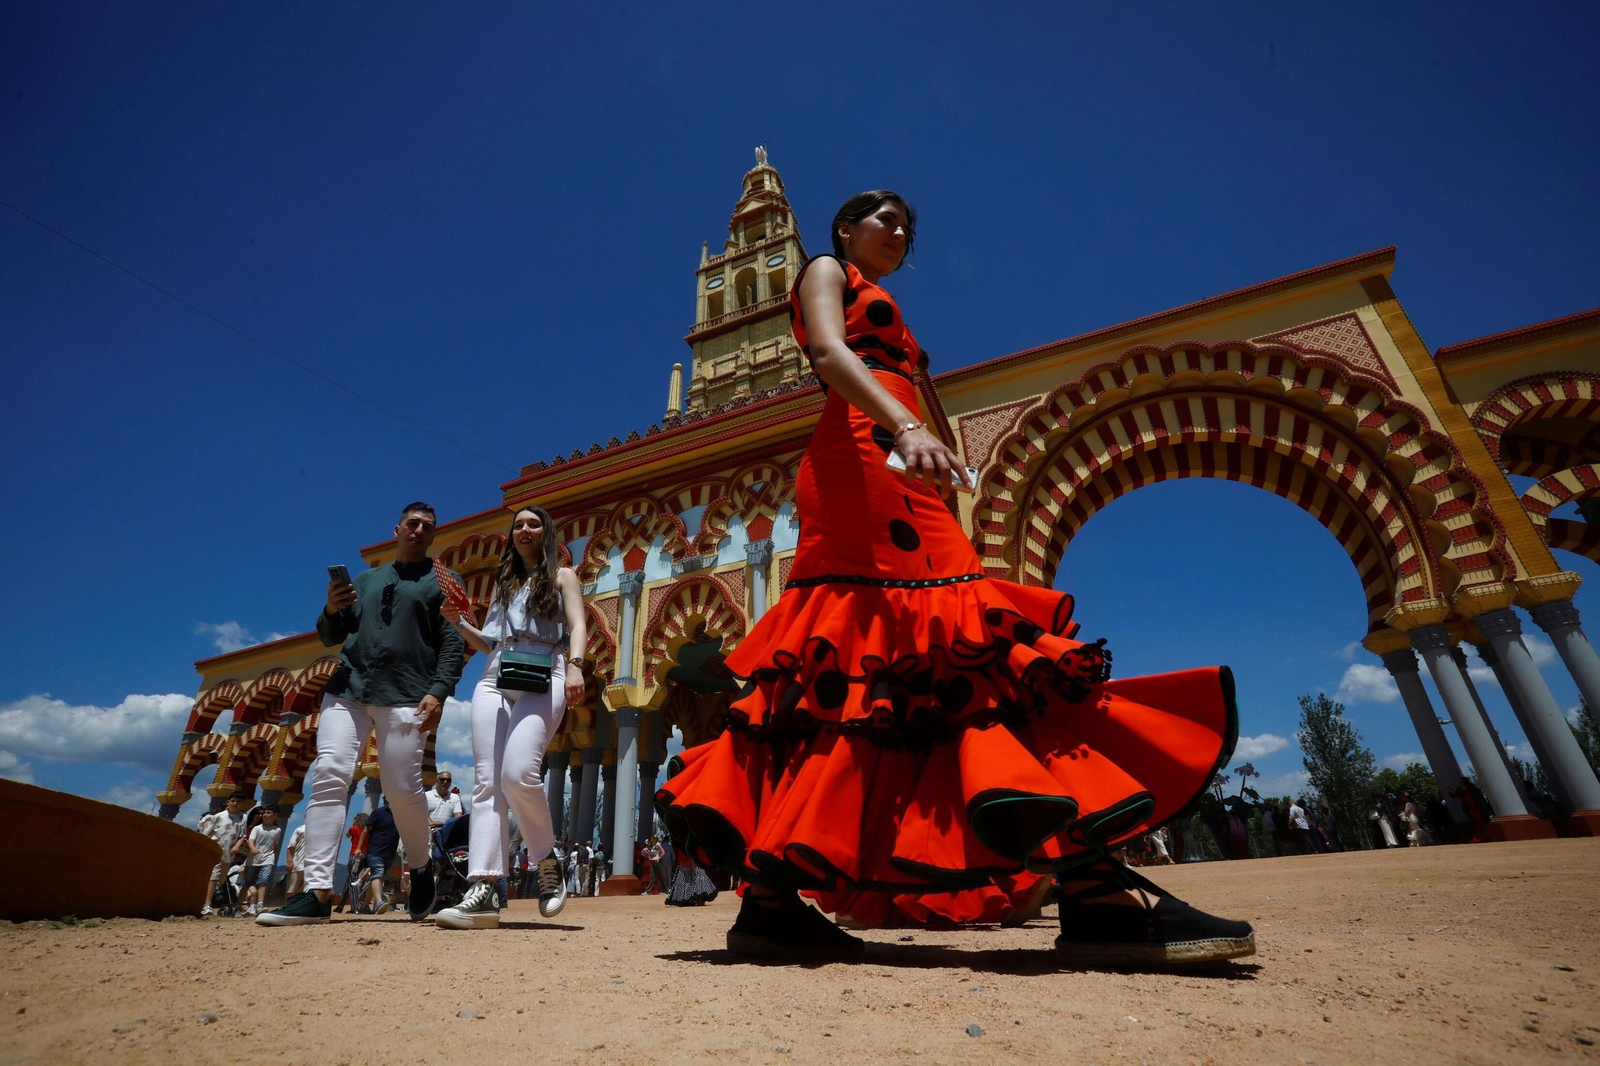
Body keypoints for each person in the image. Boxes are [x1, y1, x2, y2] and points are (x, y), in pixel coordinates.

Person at [655, 190, 1253, 965]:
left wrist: (922, 438)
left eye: (909, 225)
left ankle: (773, 901)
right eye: (885, 218)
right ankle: (1095, 888)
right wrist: (906, 426)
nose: (900, 232)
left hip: (896, 459)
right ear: (843, 230)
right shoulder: (824, 270)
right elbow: (832, 356)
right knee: (940, 642)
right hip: (864, 453)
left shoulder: (886, 299)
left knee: (897, 660)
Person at [258, 502, 465, 926]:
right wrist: (332, 608)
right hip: (348, 689)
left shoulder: (443, 581)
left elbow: (452, 640)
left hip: (407, 693)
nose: (419, 531)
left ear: (433, 536)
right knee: (331, 773)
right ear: (397, 529)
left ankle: (422, 867)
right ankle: (317, 892)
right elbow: (332, 634)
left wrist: (440, 691)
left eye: (428, 527)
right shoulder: (368, 579)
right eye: (413, 523)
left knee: (402, 786)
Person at [431, 505, 587, 930]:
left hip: (546, 668)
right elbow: (490, 642)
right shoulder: (504, 582)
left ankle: (546, 860)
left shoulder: (562, 576)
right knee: (486, 780)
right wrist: (460, 623)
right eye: (518, 524)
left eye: (533, 523)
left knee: (518, 773)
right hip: (497, 672)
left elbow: (577, 622)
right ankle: (482, 886)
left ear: (546, 532)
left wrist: (576, 666)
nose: (524, 529)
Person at [200, 791, 250, 915]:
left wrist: (237, 846)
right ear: (228, 802)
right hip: (216, 850)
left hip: (229, 853)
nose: (235, 804)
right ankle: (206, 905)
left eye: (238, 802)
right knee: (214, 876)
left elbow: (242, 835)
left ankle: (213, 901)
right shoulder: (219, 816)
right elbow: (207, 833)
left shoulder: (243, 817)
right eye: (233, 801)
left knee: (221, 879)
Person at [236, 804, 283, 915]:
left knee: (263, 881)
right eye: (264, 813)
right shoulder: (257, 828)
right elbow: (250, 841)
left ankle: (260, 904)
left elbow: (275, 845)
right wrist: (253, 849)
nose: (265, 815)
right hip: (253, 860)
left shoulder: (277, 830)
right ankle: (238, 906)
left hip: (267, 859)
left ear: (275, 815)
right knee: (247, 884)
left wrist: (272, 856)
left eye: (268, 813)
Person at [283, 822, 307, 898]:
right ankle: (287, 907)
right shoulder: (300, 829)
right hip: (298, 864)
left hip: (312, 865)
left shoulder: (319, 831)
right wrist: (289, 861)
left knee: (305, 890)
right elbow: (290, 846)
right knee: (291, 890)